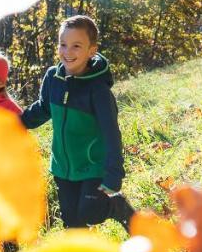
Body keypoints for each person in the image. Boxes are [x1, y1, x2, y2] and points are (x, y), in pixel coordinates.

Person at [20, 15, 134, 231]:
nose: (67, 52)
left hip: (93, 165)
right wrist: (16, 122)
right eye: (63, 45)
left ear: (92, 50)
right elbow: (43, 108)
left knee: (90, 210)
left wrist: (113, 175)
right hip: (62, 167)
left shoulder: (98, 91)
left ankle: (116, 206)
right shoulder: (53, 78)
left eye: (76, 46)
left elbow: (111, 134)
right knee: (73, 223)